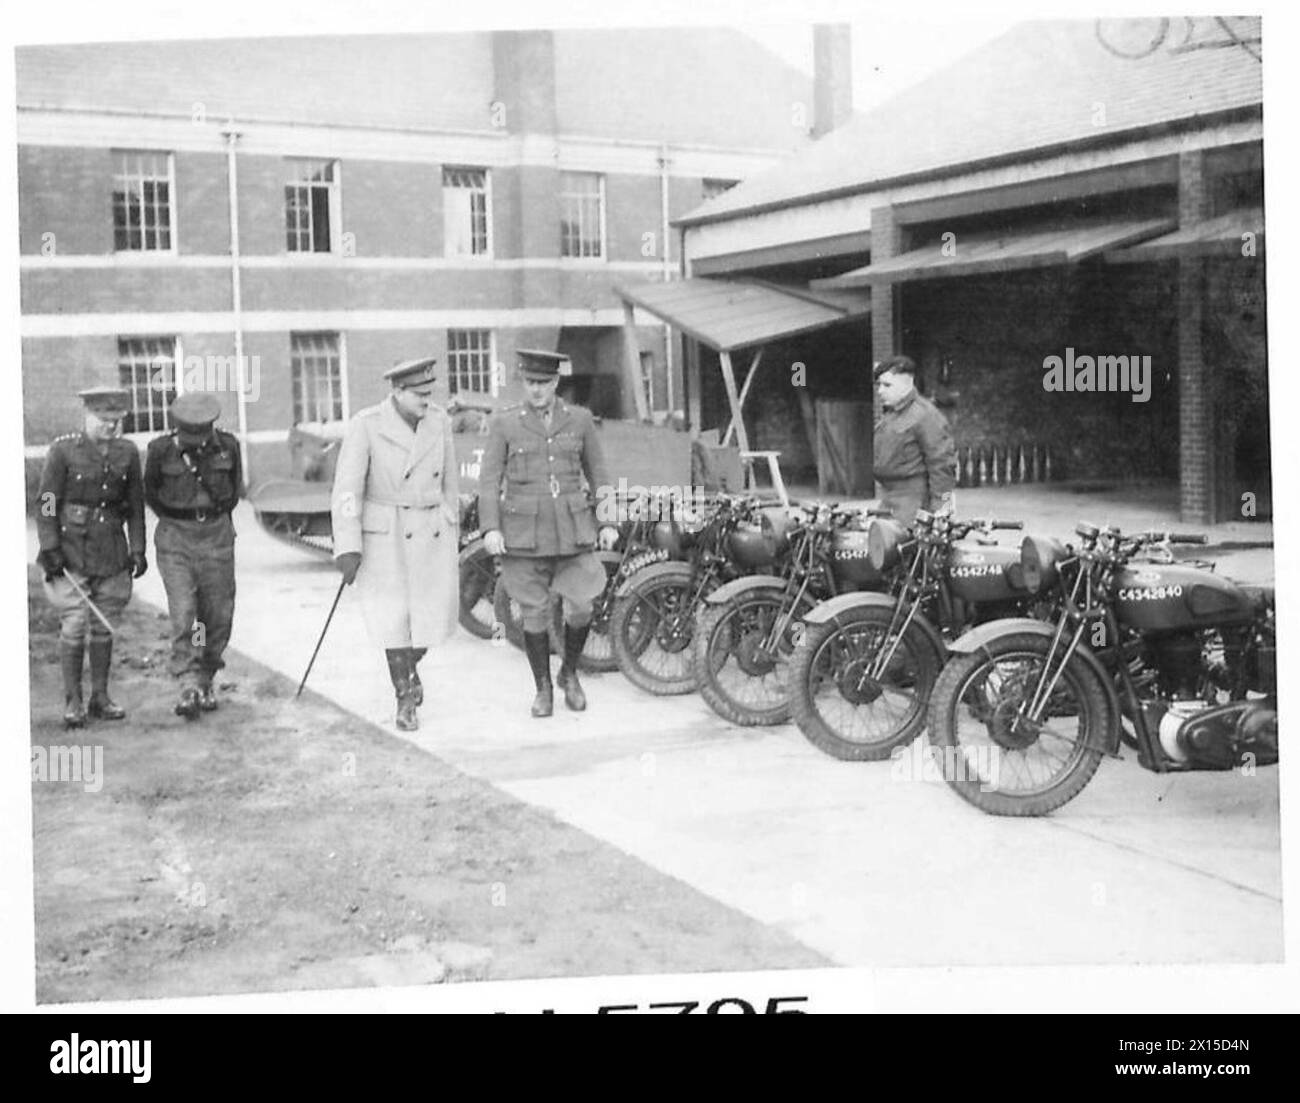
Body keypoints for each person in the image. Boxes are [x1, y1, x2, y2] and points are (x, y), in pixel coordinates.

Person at [478, 349, 618, 718]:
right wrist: (491, 527)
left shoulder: (580, 420)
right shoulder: (505, 423)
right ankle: (542, 688)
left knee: (583, 605)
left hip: (573, 531)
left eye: (544, 383)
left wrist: (607, 522)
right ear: (522, 382)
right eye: (530, 383)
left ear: (556, 382)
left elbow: (599, 473)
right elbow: (489, 480)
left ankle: (569, 672)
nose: (536, 390)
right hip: (524, 533)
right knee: (534, 614)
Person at [330, 358, 459, 732]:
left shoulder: (439, 421)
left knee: (432, 617)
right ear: (398, 393)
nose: (425, 401)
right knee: (394, 621)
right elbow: (348, 491)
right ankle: (404, 697)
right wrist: (348, 544)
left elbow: (450, 479)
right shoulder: (366, 425)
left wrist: (450, 516)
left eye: (428, 393)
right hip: (386, 534)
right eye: (418, 394)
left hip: (431, 528)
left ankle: (411, 671)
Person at [36, 387, 148, 727]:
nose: (110, 427)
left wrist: (138, 549)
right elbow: (47, 502)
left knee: (104, 625)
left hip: (111, 551)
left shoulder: (127, 453)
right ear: (87, 415)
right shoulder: (63, 450)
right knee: (73, 624)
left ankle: (100, 696)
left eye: (116, 421)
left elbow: (135, 507)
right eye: (103, 420)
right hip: (71, 552)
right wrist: (50, 546)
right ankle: (73, 701)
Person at [144, 392, 243, 720]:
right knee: (185, 610)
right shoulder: (160, 450)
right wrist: (181, 515)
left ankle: (206, 677)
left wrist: (208, 516)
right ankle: (188, 682)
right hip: (176, 539)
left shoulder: (228, 446)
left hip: (216, 536)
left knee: (216, 615)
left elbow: (233, 492)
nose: (197, 443)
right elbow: (151, 493)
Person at [872, 355, 957, 525]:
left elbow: (943, 466)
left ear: (907, 384)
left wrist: (942, 508)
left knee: (902, 548)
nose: (880, 391)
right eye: (879, 385)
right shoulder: (892, 415)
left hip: (913, 504)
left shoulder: (925, 415)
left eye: (887, 385)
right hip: (889, 501)